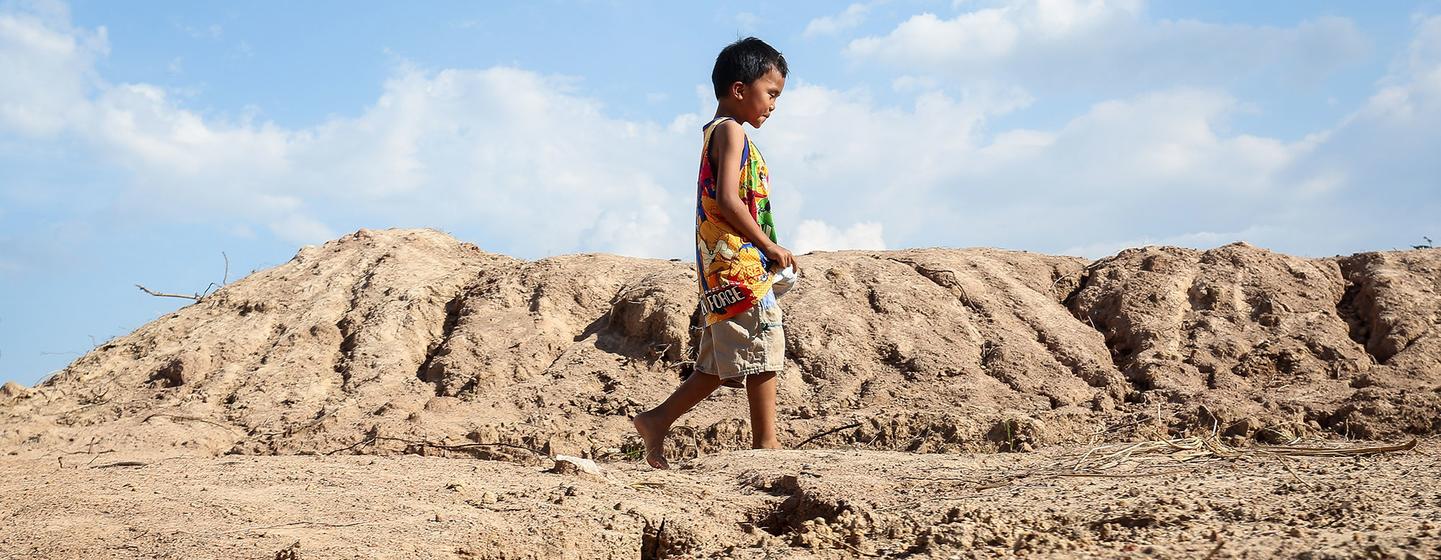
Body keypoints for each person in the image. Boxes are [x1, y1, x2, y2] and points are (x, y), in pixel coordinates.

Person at [632, 37, 798, 469]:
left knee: (715, 362)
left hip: (720, 266)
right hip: (738, 264)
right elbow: (727, 199)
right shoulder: (731, 131)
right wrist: (768, 245)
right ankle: (767, 444)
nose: (774, 105)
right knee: (762, 343)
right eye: (771, 93)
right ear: (740, 89)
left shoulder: (718, 132)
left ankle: (657, 420)